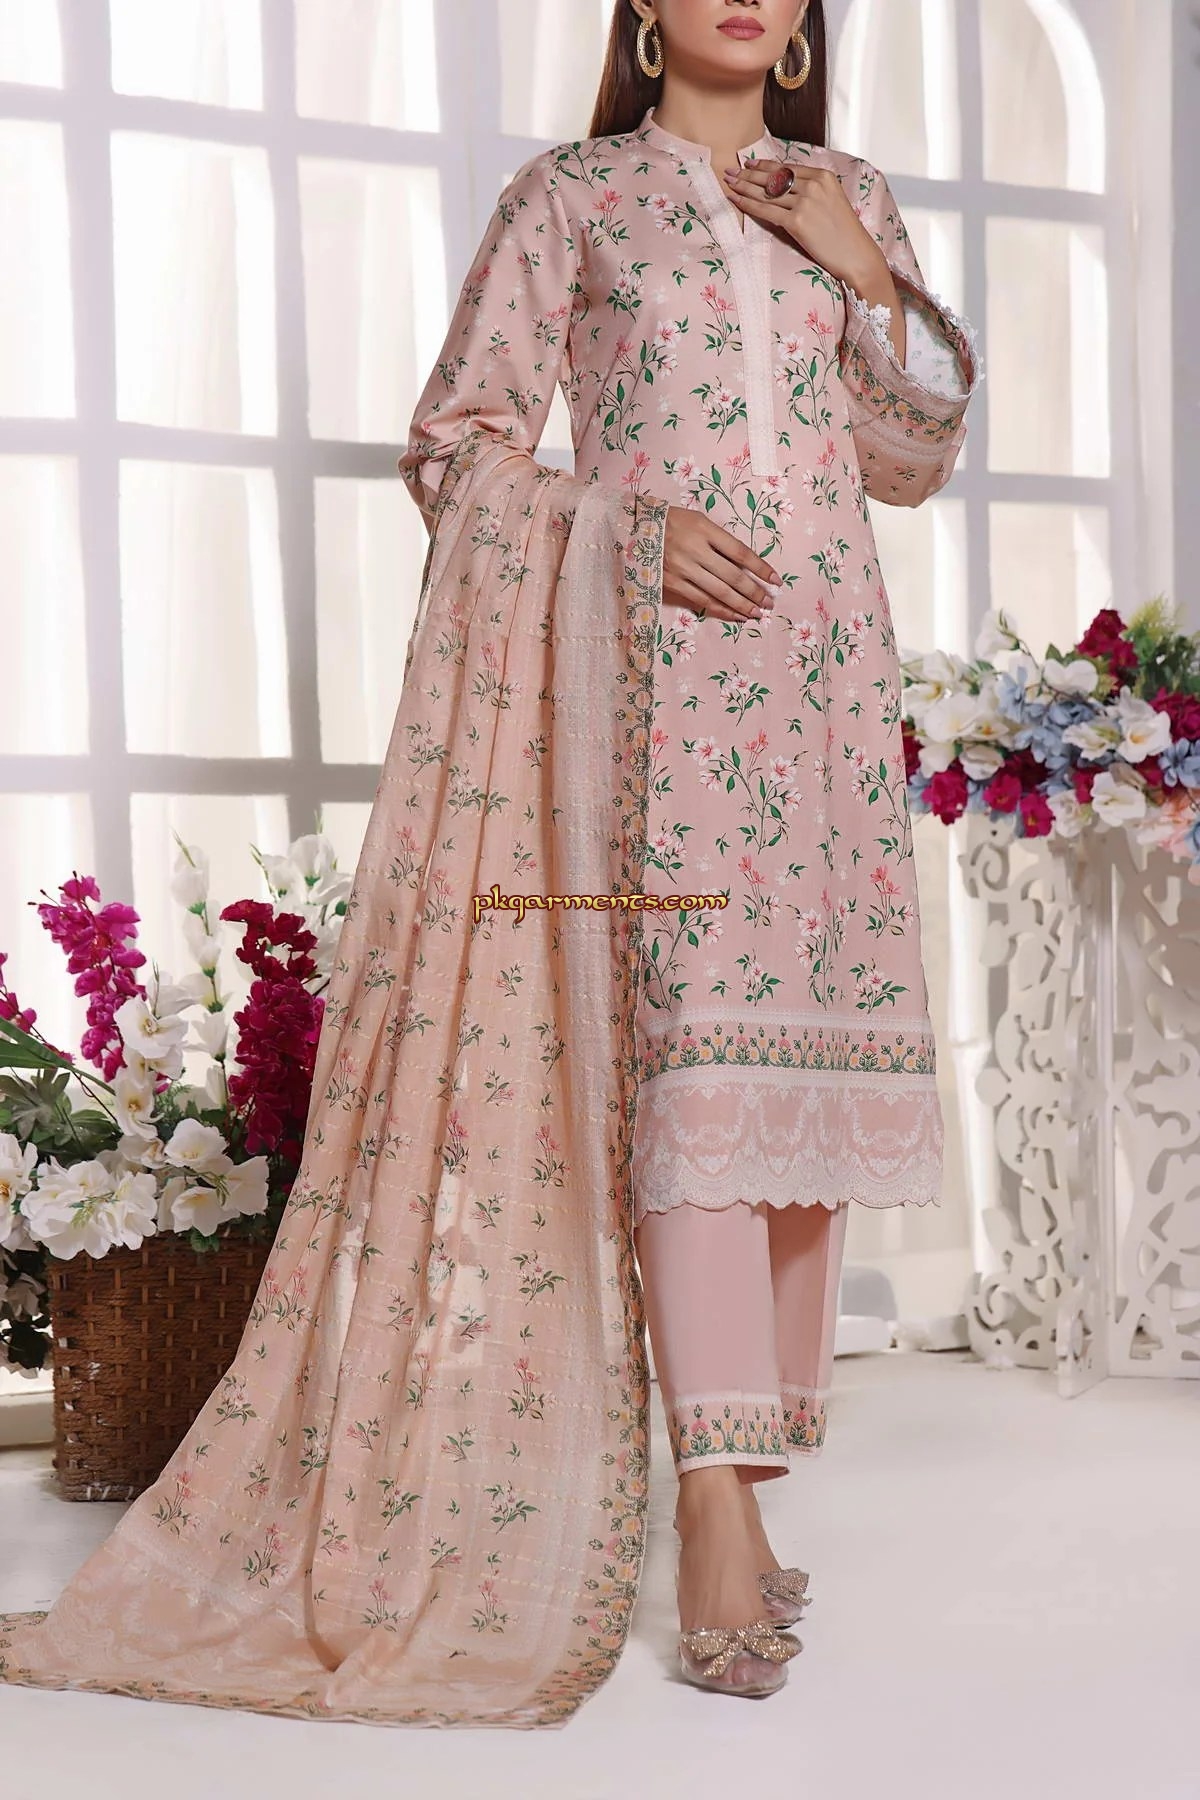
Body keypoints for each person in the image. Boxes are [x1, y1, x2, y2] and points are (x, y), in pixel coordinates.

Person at [0, 0, 979, 1726]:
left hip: (825, 688)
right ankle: (710, 1510)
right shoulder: (571, 197)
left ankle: (748, 1478)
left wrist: (864, 269)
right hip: (654, 684)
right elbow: (457, 450)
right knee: (693, 1073)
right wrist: (625, 528)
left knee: (793, 1087)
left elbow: (909, 461)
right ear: (642, 6)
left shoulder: (853, 196)